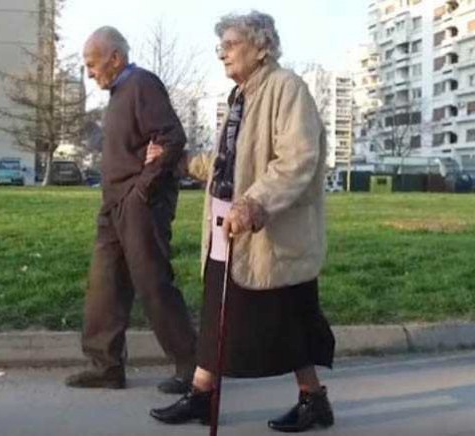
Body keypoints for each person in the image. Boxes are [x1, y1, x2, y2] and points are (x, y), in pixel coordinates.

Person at [149, 10, 335, 433]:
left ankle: (312, 400)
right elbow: (229, 163)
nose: (222, 54)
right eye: (222, 46)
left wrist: (255, 203)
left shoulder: (287, 87)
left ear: (261, 47)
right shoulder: (241, 95)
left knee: (288, 317)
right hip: (229, 226)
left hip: (269, 230)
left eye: (231, 45)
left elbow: (297, 159)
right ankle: (204, 394)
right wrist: (181, 161)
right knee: (219, 308)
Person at [65, 26, 197, 395]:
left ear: (115, 58)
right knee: (104, 285)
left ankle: (193, 367)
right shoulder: (119, 92)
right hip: (114, 203)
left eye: (92, 64)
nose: (90, 73)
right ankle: (105, 366)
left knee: (152, 283)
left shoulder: (142, 84)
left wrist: (143, 189)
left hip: (141, 203)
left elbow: (172, 138)